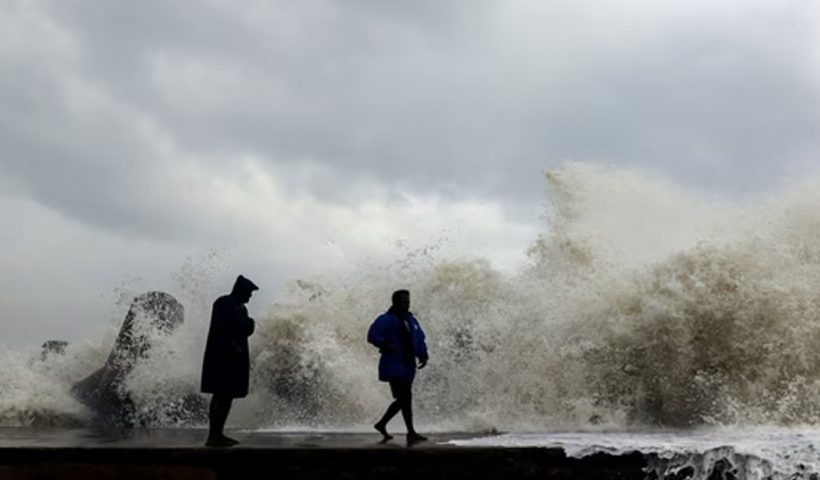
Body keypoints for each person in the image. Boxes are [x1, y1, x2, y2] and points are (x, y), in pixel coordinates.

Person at [201, 275, 258, 447]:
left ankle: (218, 434)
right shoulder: (224, 303)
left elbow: (245, 329)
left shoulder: (239, 306)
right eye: (249, 292)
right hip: (223, 358)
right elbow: (224, 328)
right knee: (221, 395)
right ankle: (214, 435)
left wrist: (249, 323)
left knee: (226, 397)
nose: (250, 296)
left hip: (233, 359)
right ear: (240, 290)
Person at [367, 289, 429, 445]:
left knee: (403, 399)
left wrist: (423, 354)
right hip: (393, 364)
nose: (407, 304)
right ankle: (411, 432)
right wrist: (385, 344)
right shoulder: (385, 319)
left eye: (408, 301)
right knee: (405, 397)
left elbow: (420, 338)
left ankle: (382, 424)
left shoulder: (411, 320)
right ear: (395, 302)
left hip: (408, 365)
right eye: (404, 301)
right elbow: (372, 335)